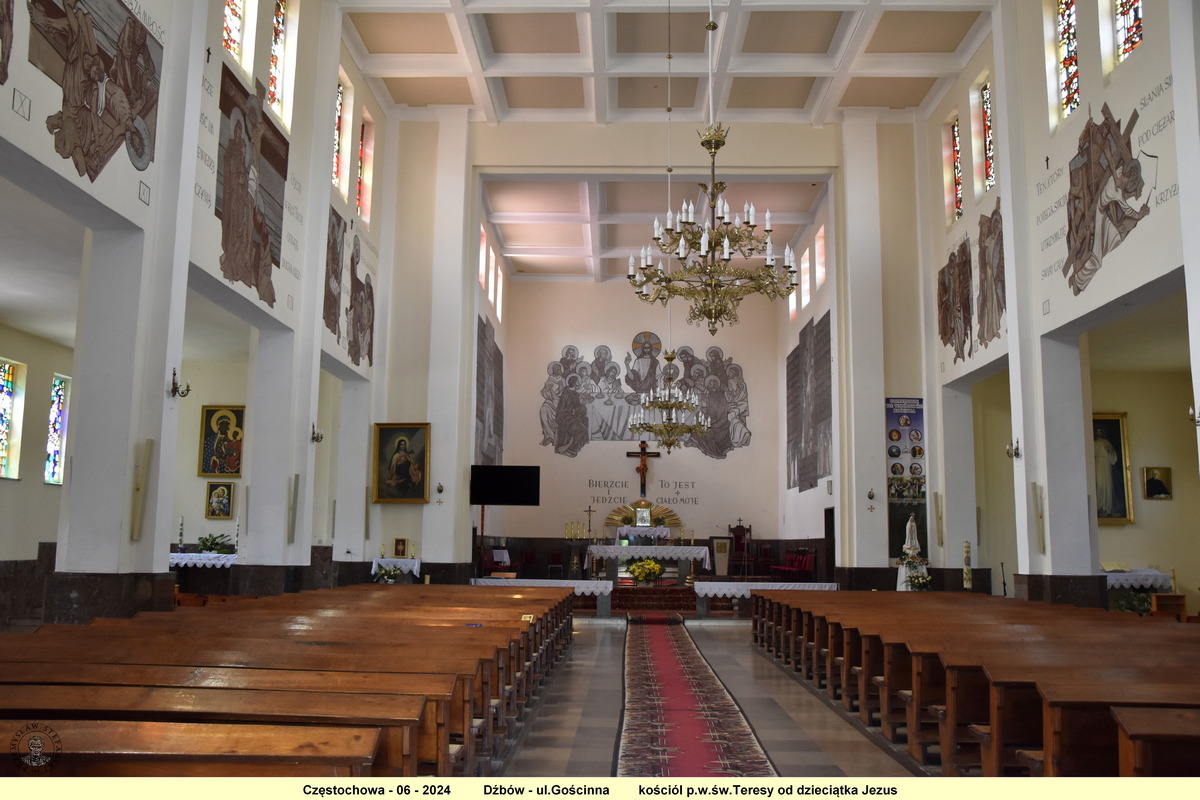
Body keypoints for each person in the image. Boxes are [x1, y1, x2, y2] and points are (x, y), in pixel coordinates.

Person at [1094, 426, 1119, 516]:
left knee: (1107, 486)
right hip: (1098, 466)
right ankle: (1099, 506)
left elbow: (1113, 458)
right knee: (1099, 486)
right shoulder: (1093, 443)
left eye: (1100, 431)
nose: (1099, 433)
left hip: (1106, 466)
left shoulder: (1106, 442)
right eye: (1097, 431)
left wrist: (1110, 451)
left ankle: (1106, 508)